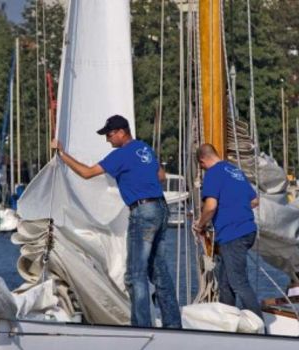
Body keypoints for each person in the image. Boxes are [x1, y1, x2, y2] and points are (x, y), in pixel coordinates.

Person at [50, 114, 181, 329]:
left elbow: (86, 173)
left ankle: (141, 327)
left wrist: (61, 154)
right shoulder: (144, 148)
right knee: (160, 272)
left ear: (122, 132)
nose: (108, 140)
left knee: (134, 274)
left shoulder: (120, 155)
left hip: (143, 211)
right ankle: (173, 325)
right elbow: (161, 176)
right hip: (161, 208)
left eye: (110, 135)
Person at [192, 143, 263, 319]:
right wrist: (235, 205)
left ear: (202, 160)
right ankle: (228, 320)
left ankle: (259, 325)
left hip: (233, 234)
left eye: (201, 166)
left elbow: (210, 206)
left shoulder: (213, 173)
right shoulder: (235, 171)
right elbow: (254, 200)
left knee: (238, 282)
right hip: (246, 230)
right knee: (225, 283)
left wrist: (200, 224)